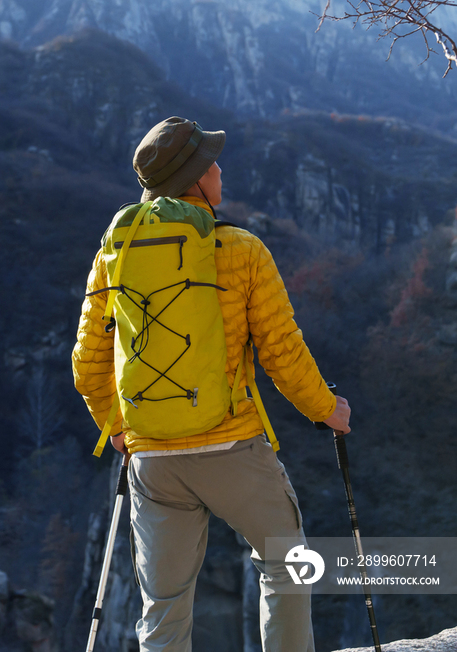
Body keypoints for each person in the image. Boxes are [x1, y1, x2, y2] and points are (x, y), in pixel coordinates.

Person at [72, 116, 351, 652]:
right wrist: (326, 410)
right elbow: (282, 352)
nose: (220, 169)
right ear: (195, 179)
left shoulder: (115, 253)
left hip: (151, 456)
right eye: (212, 162)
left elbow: (88, 363)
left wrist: (121, 432)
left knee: (165, 602)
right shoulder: (241, 249)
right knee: (287, 563)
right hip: (231, 445)